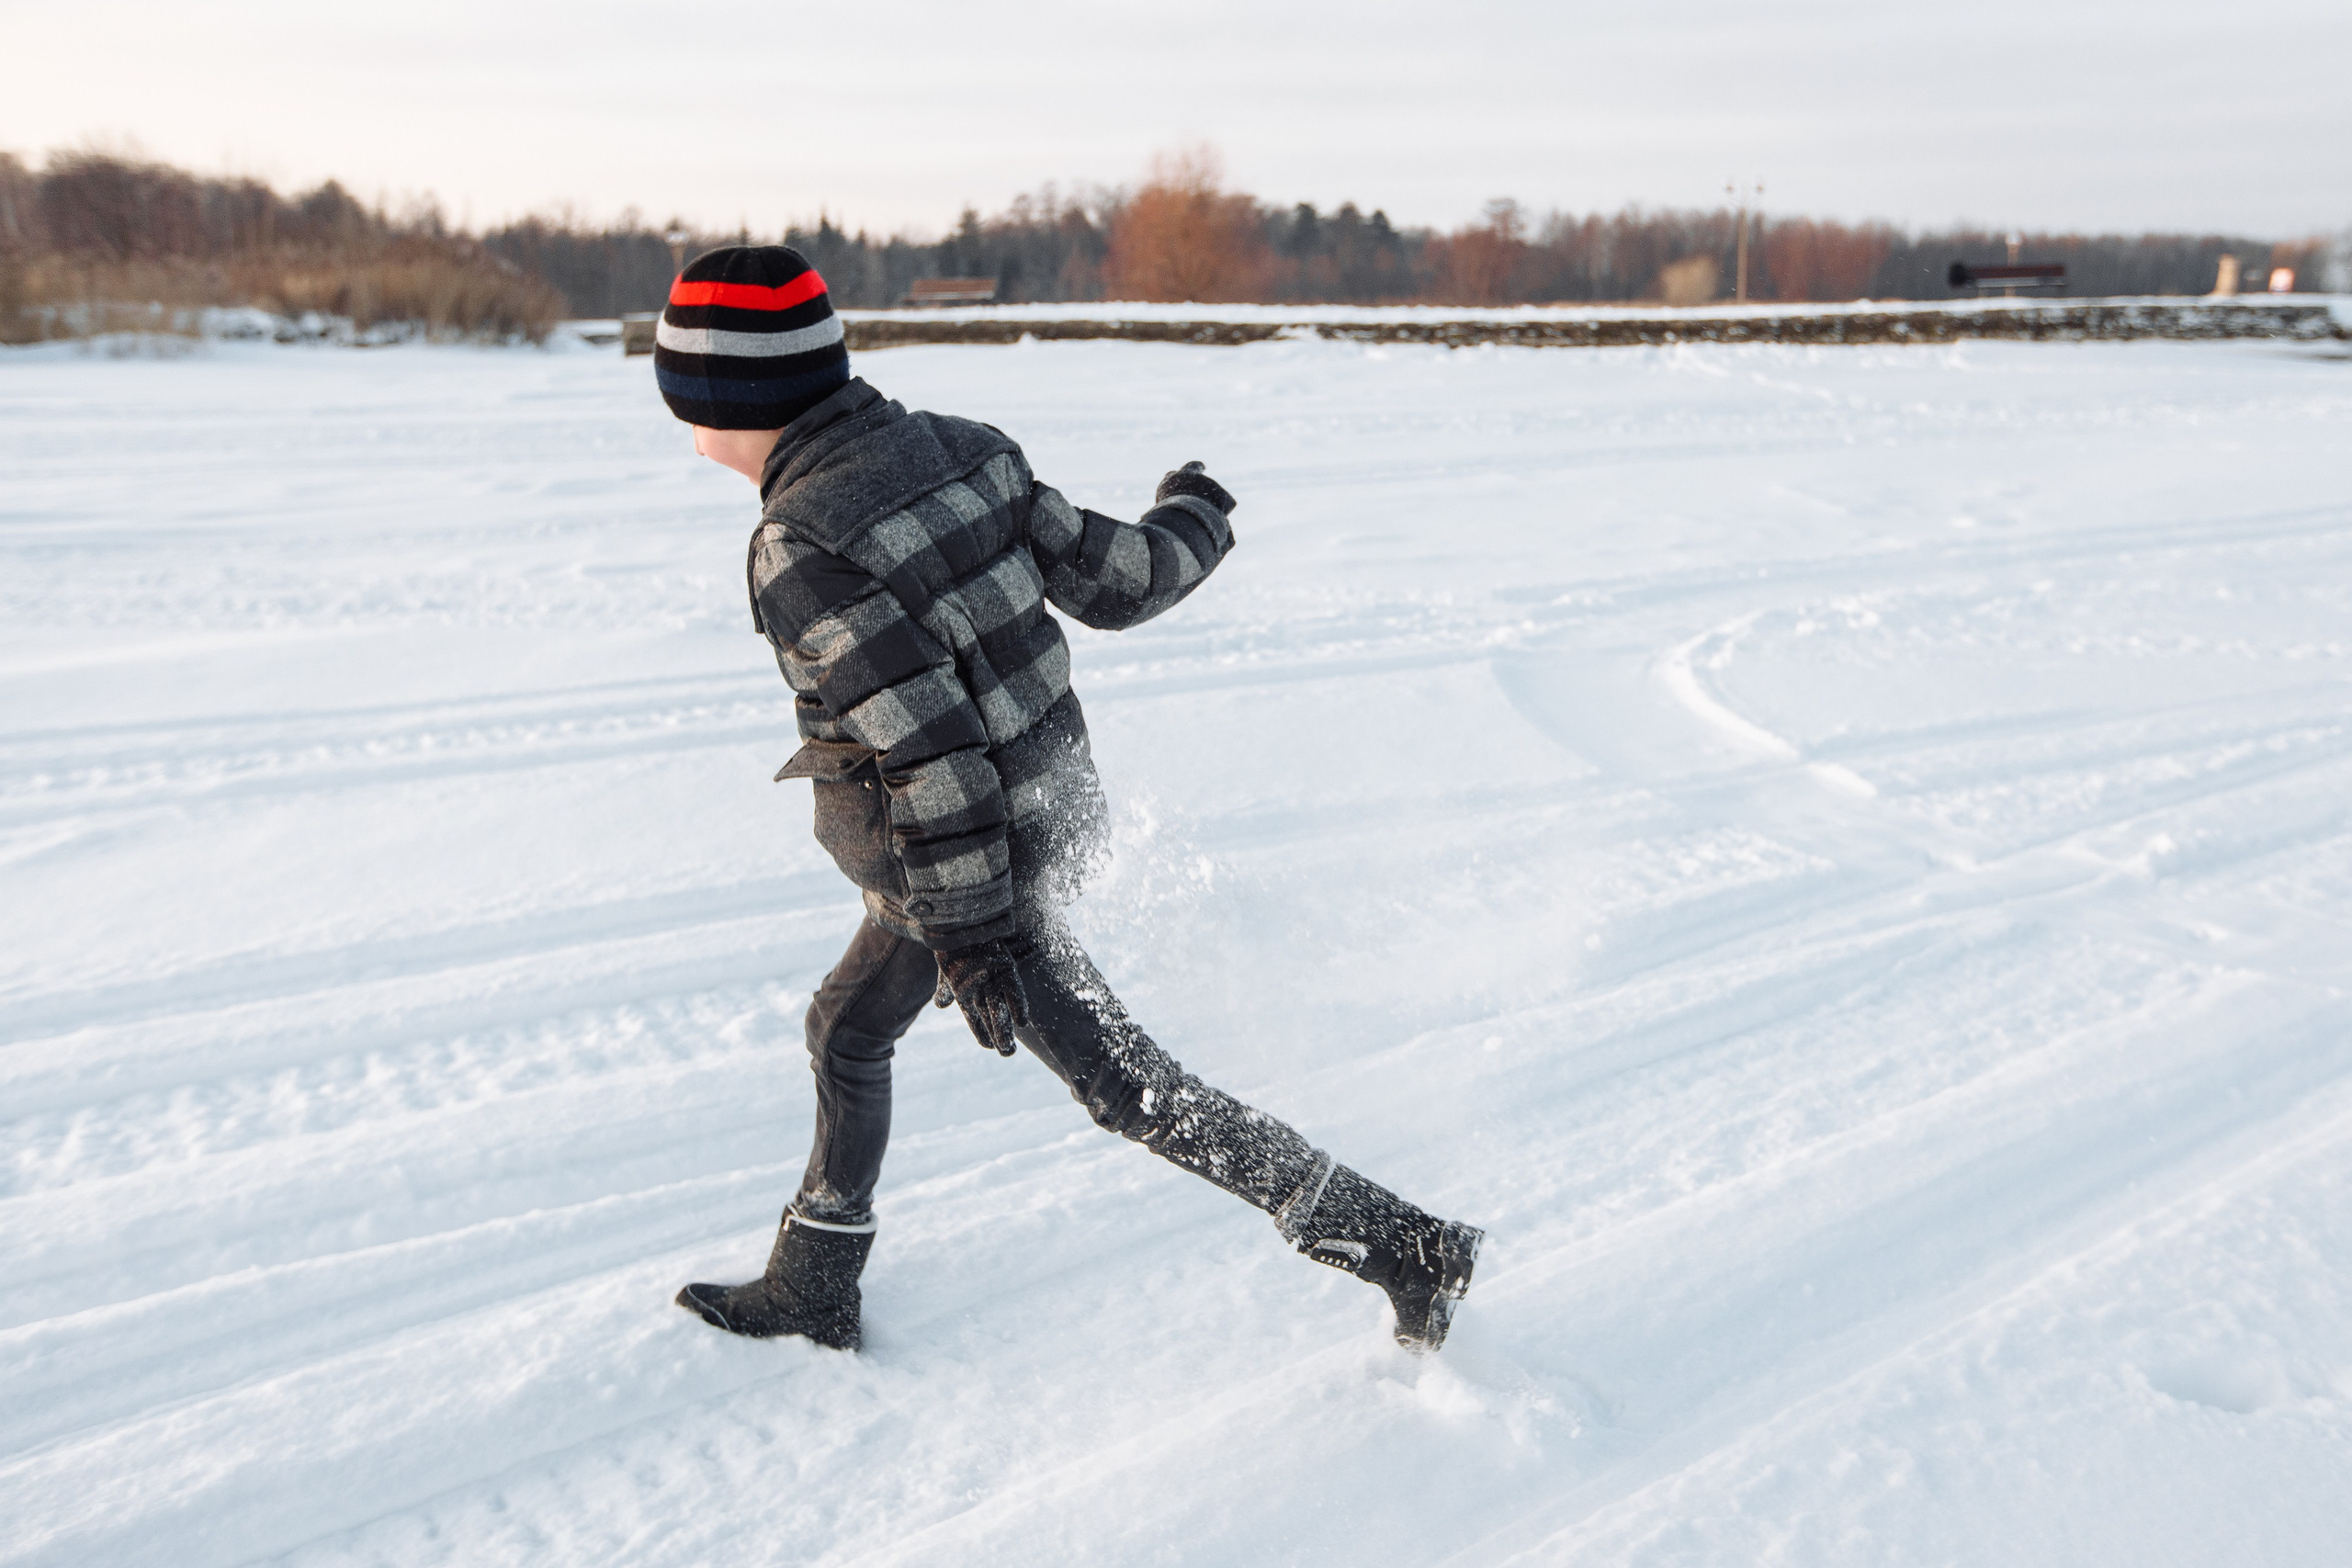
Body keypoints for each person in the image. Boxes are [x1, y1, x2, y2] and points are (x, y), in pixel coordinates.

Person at [658, 245, 1482, 1354]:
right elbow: (1119, 579)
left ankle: (1400, 1245)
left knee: (1127, 1090)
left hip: (963, 864)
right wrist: (1191, 512)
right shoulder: (960, 450)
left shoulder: (800, 544)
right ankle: (815, 1278)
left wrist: (972, 938)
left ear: (722, 398)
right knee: (848, 1026)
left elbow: (933, 755)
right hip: (1032, 814)